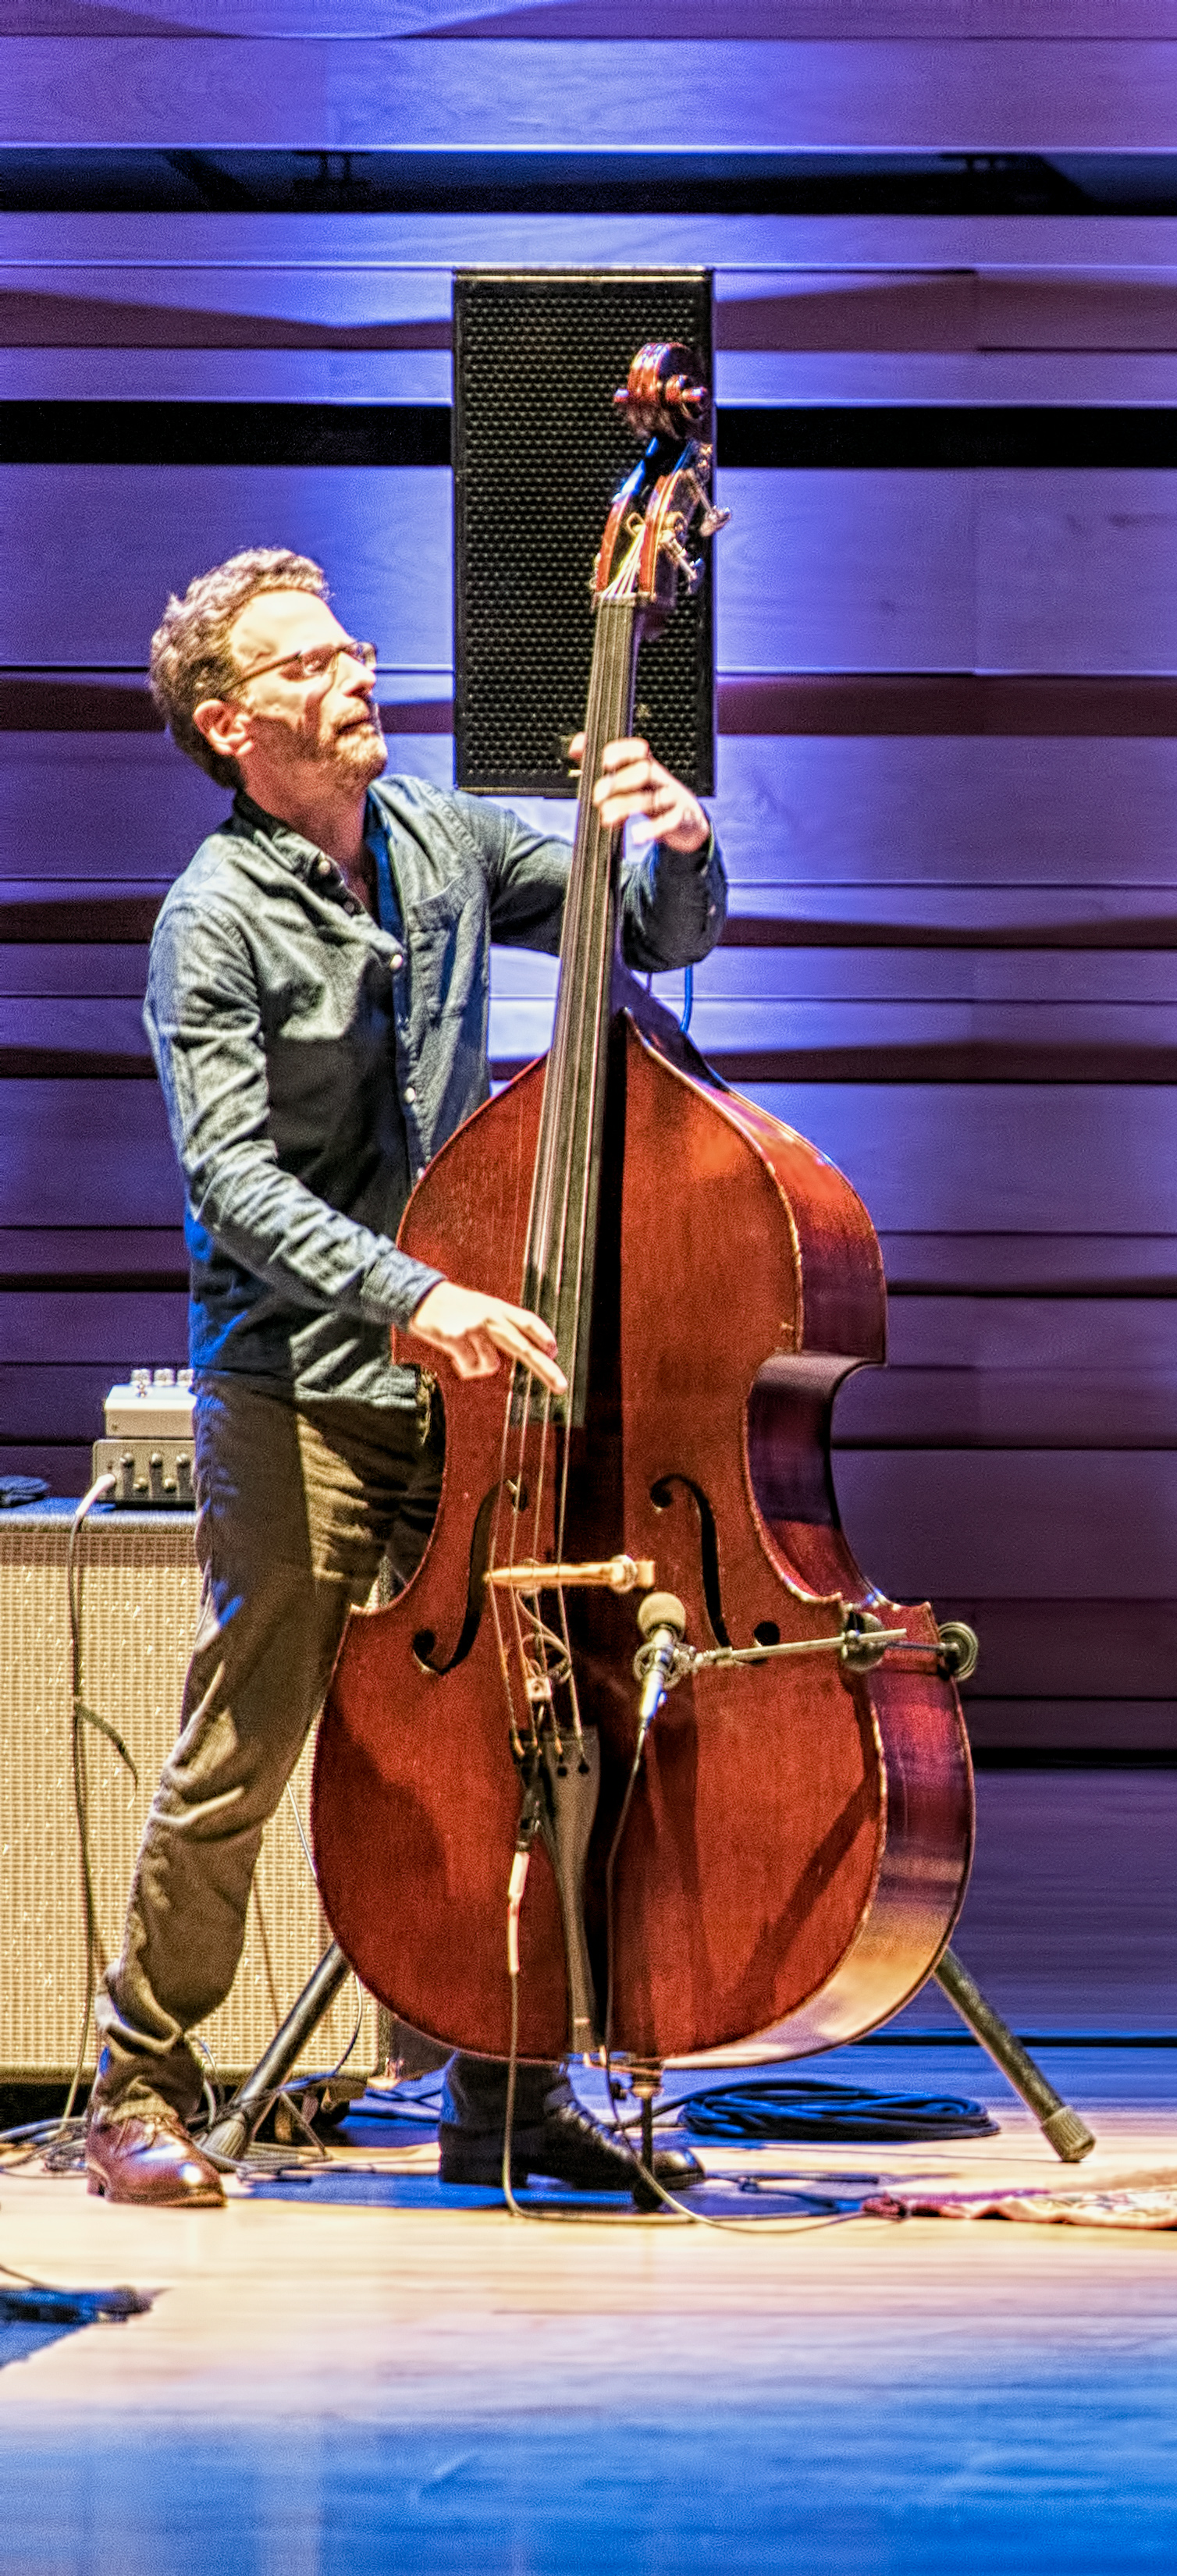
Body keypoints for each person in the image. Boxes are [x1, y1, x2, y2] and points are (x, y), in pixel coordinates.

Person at [87, 547, 727, 2208]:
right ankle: (136, 2083)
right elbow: (233, 1180)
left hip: (457, 1383)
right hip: (297, 1382)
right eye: (307, 663)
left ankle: (502, 2097)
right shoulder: (209, 923)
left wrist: (677, 841)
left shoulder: (439, 836)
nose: (355, 672)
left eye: (351, 645)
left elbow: (640, 935)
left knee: (513, 1724)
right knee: (250, 1736)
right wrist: (413, 1291)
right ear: (236, 725)